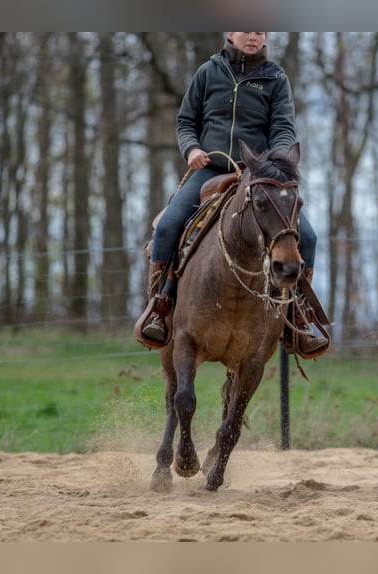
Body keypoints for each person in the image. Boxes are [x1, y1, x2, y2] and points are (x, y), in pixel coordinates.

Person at [135, 32, 329, 358]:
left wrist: (272, 162)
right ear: (230, 33)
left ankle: (299, 315)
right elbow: (186, 121)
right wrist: (192, 149)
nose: (253, 36)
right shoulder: (207, 72)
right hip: (209, 170)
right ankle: (161, 306)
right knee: (168, 226)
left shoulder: (276, 78)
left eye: (260, 31)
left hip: (259, 175)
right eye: (246, 29)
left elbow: (283, 128)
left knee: (306, 236)